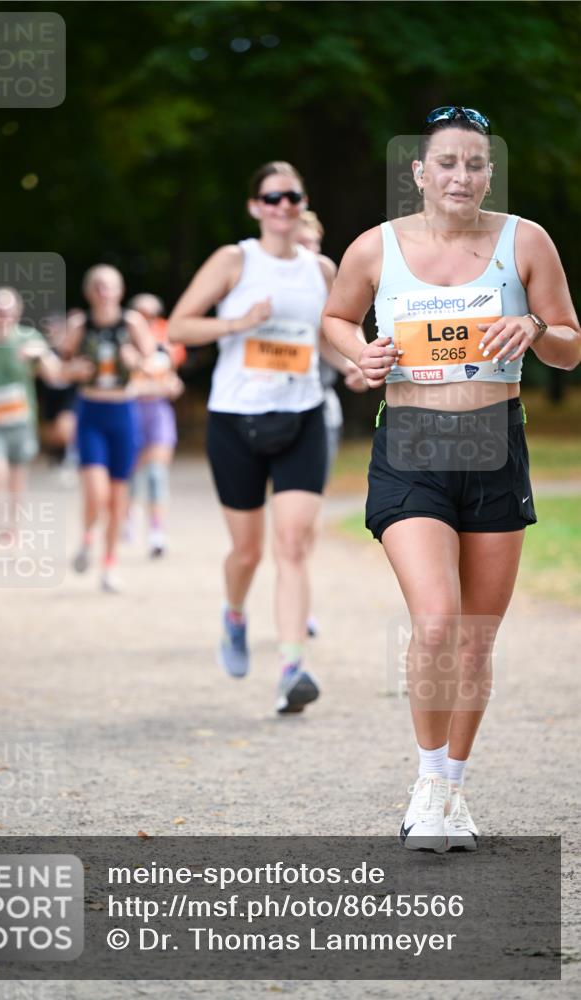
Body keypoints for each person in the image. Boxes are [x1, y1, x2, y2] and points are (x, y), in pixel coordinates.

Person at [323, 106, 580, 849]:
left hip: (496, 444)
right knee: (436, 621)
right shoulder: (375, 249)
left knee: (474, 637)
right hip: (410, 443)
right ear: (418, 172)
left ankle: (453, 792)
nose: (460, 176)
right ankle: (426, 778)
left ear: (488, 172)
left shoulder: (524, 241)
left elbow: (569, 344)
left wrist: (533, 329)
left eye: (474, 163)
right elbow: (337, 319)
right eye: (446, 163)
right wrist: (357, 355)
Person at [169, 160, 365, 714]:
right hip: (235, 419)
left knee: (293, 544)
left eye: (293, 196)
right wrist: (237, 324)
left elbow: (326, 339)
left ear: (303, 204)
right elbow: (179, 326)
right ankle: (234, 615)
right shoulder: (235, 260)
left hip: (302, 414)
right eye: (273, 196)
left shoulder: (322, 270)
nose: (284, 205)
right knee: (248, 551)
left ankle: (291, 670)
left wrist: (350, 364)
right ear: (255, 206)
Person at [295, 210, 367, 636]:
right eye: (301, 245)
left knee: (307, 510)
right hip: (261, 412)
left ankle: (300, 598)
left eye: (315, 245)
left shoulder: (324, 279)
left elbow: (327, 339)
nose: (310, 254)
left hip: (317, 405)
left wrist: (350, 365)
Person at [64, 265, 156, 593]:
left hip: (123, 412)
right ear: (89, 292)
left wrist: (138, 363)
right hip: (91, 411)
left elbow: (158, 363)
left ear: (120, 291)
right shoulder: (80, 325)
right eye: (98, 287)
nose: (104, 293)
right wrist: (72, 369)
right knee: (95, 491)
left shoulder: (131, 323)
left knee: (119, 499)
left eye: (110, 287)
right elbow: (62, 368)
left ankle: (108, 565)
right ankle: (87, 537)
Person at [0, 287, 61, 539]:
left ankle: (14, 533)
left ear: (17, 313)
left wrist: (43, 353)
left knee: (17, 480)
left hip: (21, 421)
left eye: (8, 311)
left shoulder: (29, 338)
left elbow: (54, 375)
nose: (3, 316)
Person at [126, 293, 186, 557]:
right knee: (130, 475)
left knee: (156, 475)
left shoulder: (165, 347)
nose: (146, 320)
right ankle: (128, 518)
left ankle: (157, 532)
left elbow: (173, 383)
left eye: (151, 315)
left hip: (158, 415)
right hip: (130, 414)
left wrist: (167, 386)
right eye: (141, 314)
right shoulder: (123, 345)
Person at [38, 312, 78, 483]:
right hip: (49, 396)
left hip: (69, 395)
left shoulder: (72, 348)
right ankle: (57, 459)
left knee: (66, 428)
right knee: (52, 433)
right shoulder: (43, 350)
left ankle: (71, 461)